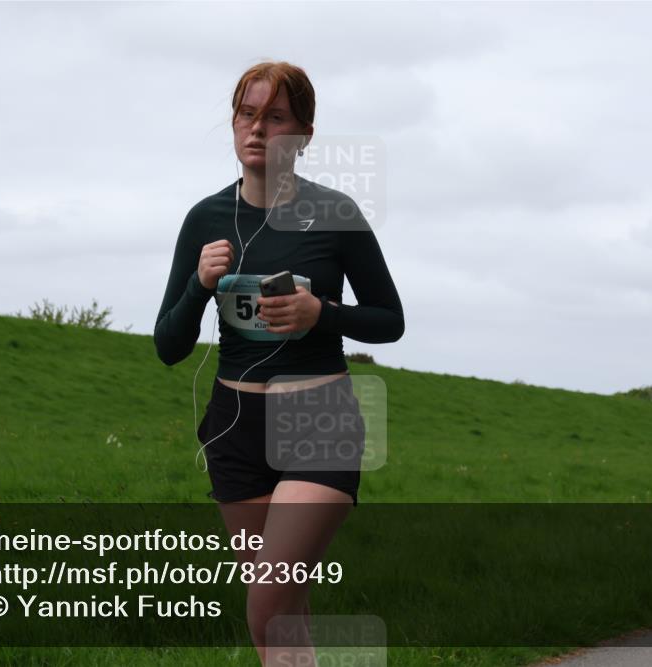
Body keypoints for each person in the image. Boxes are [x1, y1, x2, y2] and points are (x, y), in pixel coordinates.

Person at [154, 60, 404, 665]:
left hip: (318, 418)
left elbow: (390, 320)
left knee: (266, 604)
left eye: (276, 117)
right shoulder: (205, 219)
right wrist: (198, 286)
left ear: (305, 134)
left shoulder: (336, 214)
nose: (257, 128)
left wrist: (323, 313)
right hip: (234, 426)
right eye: (246, 114)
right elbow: (168, 346)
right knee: (285, 616)